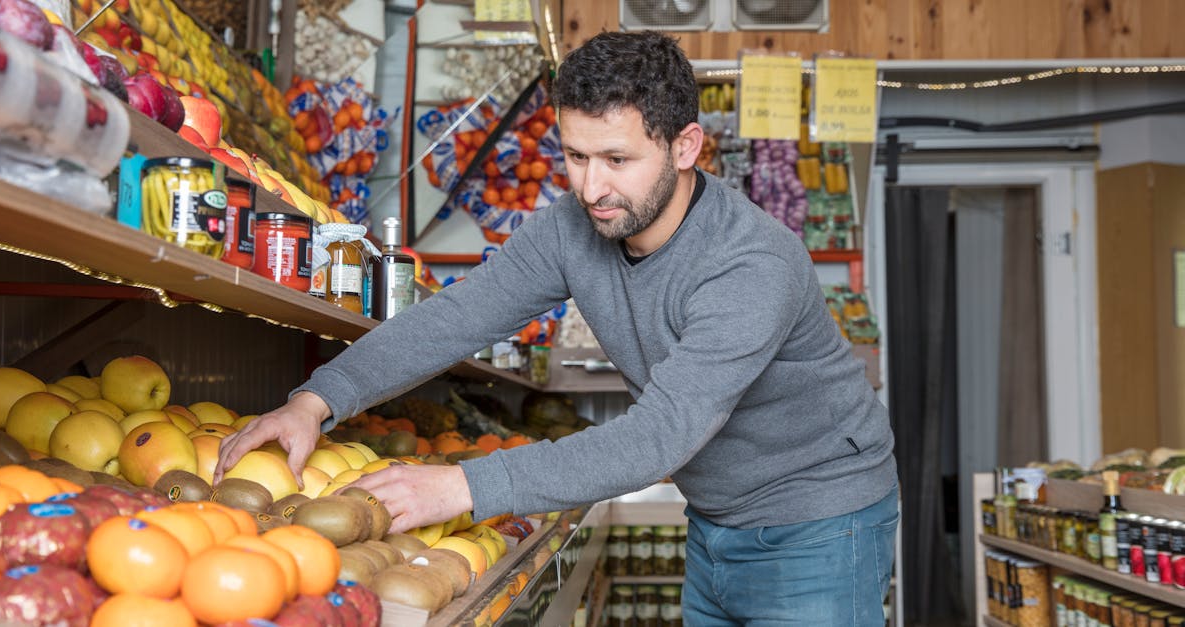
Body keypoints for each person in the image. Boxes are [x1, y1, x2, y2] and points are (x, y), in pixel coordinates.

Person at [216, 31, 898, 625]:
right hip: (715, 518)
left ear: (686, 146)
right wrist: (317, 399)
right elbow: (456, 316)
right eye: (575, 156)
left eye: (618, 160)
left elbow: (659, 436)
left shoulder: (752, 262)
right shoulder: (574, 225)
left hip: (822, 524)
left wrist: (463, 486)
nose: (592, 187)